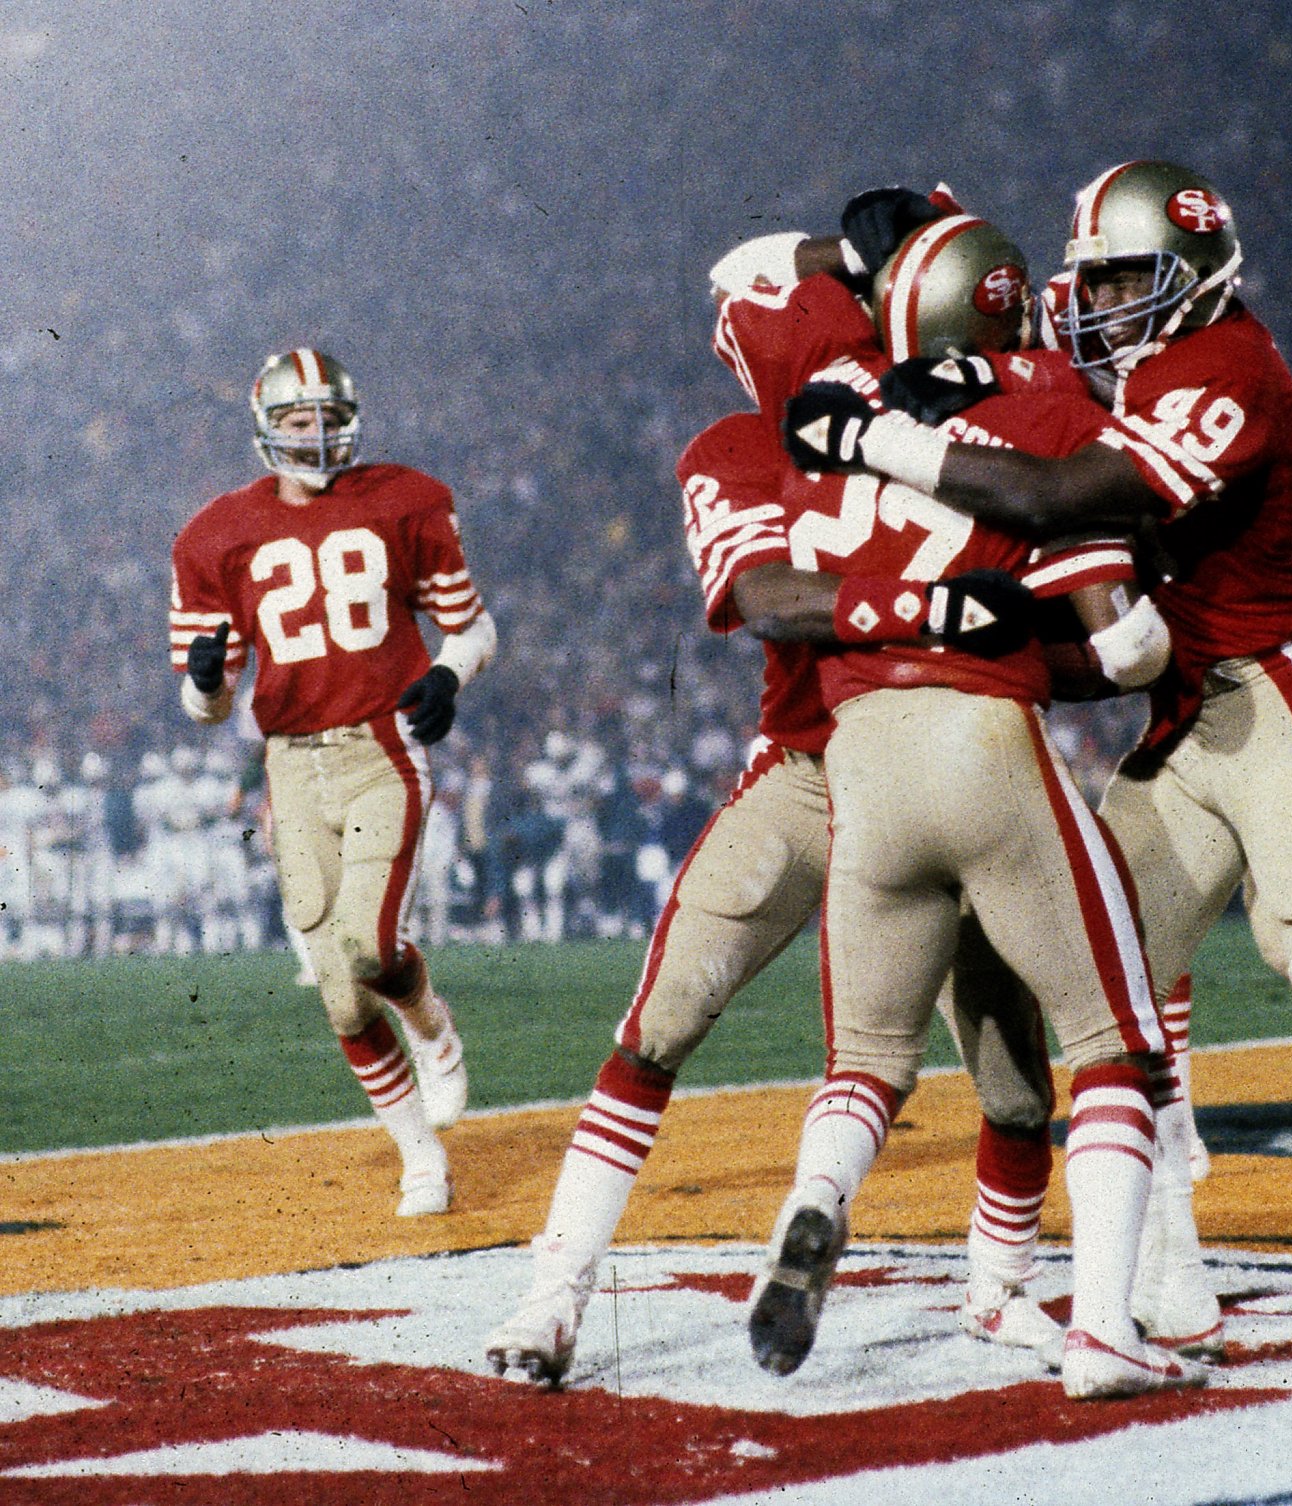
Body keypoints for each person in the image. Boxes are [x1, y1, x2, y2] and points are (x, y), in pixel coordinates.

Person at [785, 161, 1292, 1367]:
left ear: (1194, 270)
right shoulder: (1142, 367)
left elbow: (1059, 492)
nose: (1097, 300)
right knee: (1115, 1014)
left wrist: (885, 439)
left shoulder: (1228, 369)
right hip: (1180, 721)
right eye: (1088, 277)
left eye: (1124, 276)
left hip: (1265, 707)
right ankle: (1171, 1279)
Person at [486, 205, 1153, 1393]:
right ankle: (557, 1293)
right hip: (862, 769)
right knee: (672, 1021)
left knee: (986, 1074)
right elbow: (770, 600)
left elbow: (780, 579)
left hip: (839, 770)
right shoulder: (944, 411)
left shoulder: (786, 428)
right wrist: (946, 618)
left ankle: (982, 1292)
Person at [170, 348, 493, 1217]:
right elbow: (206, 705)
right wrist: (205, 680)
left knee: (369, 945)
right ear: (268, 426)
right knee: (343, 997)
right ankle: (418, 1155)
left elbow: (470, 624)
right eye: (296, 420)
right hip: (291, 763)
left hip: (379, 745)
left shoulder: (406, 499)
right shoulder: (214, 533)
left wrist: (450, 676)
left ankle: (433, 1026)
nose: (313, 436)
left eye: (324, 418)